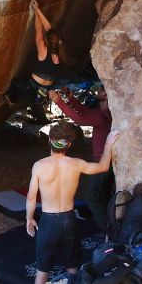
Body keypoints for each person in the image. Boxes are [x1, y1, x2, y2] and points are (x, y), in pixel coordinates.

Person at [26, 122, 121, 284]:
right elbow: (104, 167)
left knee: (42, 271)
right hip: (69, 220)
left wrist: (29, 218)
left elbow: (31, 197)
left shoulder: (39, 166)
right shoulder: (76, 163)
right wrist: (108, 143)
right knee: (72, 268)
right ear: (69, 144)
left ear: (49, 140)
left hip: (48, 222)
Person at [49, 87, 114, 235]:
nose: (99, 91)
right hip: (105, 161)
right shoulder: (101, 113)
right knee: (102, 194)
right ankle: (110, 223)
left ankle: (109, 230)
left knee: (92, 197)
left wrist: (58, 101)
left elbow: (80, 119)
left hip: (104, 164)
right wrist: (70, 98)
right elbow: (84, 112)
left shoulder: (104, 116)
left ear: (108, 96)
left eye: (103, 90)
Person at [5, 0, 73, 122]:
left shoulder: (43, 49)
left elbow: (39, 29)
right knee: (35, 91)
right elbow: (49, 29)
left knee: (15, 82)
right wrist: (37, 10)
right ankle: (39, 100)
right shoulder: (61, 50)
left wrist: (36, 10)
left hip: (31, 87)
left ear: (49, 40)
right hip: (46, 88)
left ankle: (12, 99)